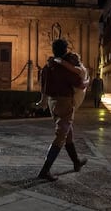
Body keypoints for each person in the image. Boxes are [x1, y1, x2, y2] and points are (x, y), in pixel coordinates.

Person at [37, 38, 88, 181]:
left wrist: (43, 101)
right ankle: (44, 171)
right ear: (65, 51)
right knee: (61, 136)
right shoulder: (65, 68)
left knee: (67, 133)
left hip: (53, 104)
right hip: (65, 102)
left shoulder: (47, 67)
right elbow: (80, 85)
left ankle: (76, 162)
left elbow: (44, 87)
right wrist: (86, 81)